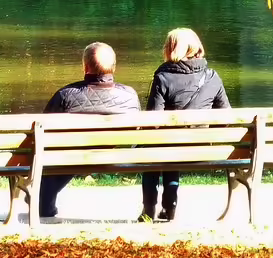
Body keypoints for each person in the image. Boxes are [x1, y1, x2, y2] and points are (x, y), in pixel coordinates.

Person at [37, 41, 141, 218]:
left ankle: (44, 204)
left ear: (85, 67)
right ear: (114, 67)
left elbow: (45, 129)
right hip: (118, 154)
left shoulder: (66, 95)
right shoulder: (129, 95)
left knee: (56, 153)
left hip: (74, 156)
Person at [141, 28, 230, 222]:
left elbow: (153, 121)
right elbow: (226, 117)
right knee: (170, 146)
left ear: (170, 48)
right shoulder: (212, 76)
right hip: (201, 148)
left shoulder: (163, 77)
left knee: (154, 147)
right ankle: (170, 208)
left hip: (168, 145)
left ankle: (149, 210)